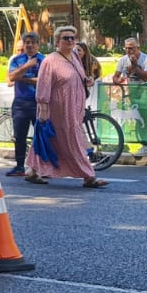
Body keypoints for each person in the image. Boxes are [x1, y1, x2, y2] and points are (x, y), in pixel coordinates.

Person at [25, 27, 107, 189]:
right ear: (57, 42)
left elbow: (79, 76)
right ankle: (88, 176)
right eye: (66, 38)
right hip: (59, 109)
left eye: (72, 38)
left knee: (49, 139)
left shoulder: (75, 56)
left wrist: (87, 79)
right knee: (73, 140)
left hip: (75, 107)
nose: (70, 41)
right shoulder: (50, 61)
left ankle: (32, 171)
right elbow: (43, 86)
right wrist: (43, 108)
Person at [3, 32, 43, 176]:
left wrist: (24, 78)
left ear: (38, 44)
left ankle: (41, 166)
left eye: (33, 42)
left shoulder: (43, 60)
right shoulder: (17, 59)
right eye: (27, 42)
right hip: (20, 103)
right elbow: (12, 77)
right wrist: (27, 66)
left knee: (41, 135)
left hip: (38, 102)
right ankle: (20, 165)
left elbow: (44, 80)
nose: (30, 45)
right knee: (19, 136)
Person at [111, 37, 147, 158]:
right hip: (133, 90)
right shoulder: (122, 60)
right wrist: (118, 80)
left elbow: (146, 77)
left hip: (146, 90)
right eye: (126, 48)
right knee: (137, 117)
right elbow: (115, 76)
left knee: (145, 118)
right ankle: (143, 144)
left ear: (138, 48)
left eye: (131, 48)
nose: (128, 51)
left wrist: (135, 65)